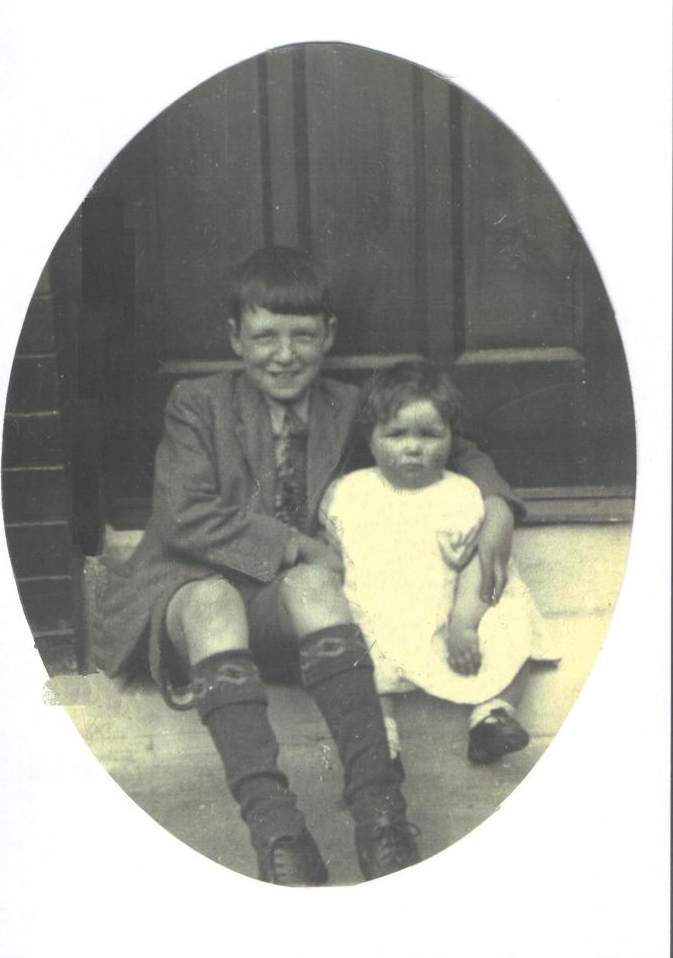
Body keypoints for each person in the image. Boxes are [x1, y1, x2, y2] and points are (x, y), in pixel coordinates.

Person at [94, 246, 523, 886]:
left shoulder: (348, 408)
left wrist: (497, 509)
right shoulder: (198, 404)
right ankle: (279, 834)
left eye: (302, 335)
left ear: (330, 335)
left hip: (288, 612)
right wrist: (299, 544)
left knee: (319, 585)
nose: (285, 354)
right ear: (235, 338)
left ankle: (381, 818)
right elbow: (184, 514)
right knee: (228, 596)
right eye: (265, 336)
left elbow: (454, 447)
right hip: (190, 597)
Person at [319, 361, 559, 770]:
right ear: (370, 439)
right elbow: (331, 552)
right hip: (382, 610)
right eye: (396, 434)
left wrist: (464, 622)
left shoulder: (462, 494)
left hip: (450, 608)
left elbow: (475, 563)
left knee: (512, 618)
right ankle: (382, 740)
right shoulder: (348, 493)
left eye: (430, 435)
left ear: (451, 438)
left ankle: (493, 715)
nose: (413, 447)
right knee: (357, 646)